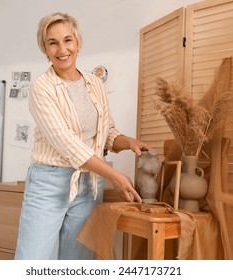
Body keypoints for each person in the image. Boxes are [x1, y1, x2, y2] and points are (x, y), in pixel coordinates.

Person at [14, 12, 150, 260]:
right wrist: (115, 177)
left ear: (78, 43)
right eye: (52, 42)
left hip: (88, 185)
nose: (62, 49)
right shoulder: (41, 88)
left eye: (67, 40)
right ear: (45, 49)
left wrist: (127, 142)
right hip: (48, 185)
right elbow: (68, 145)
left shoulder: (94, 84)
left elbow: (106, 132)